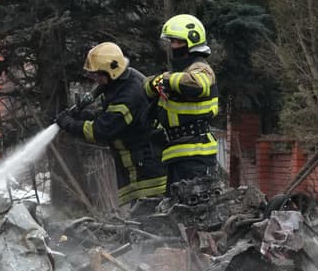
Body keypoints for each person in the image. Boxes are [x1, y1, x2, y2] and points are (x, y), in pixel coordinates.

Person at [55, 41, 167, 206]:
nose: (95, 79)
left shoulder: (129, 95)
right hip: (139, 168)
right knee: (144, 221)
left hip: (146, 173)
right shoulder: (122, 84)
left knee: (152, 222)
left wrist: (69, 124)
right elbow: (109, 117)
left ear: (112, 70)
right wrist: (84, 115)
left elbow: (102, 130)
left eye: (97, 74)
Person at [144, 13, 219, 187]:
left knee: (195, 208)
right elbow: (146, 87)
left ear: (191, 42)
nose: (172, 46)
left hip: (196, 153)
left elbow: (198, 85)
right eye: (171, 42)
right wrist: (155, 82)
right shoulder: (180, 71)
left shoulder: (201, 68)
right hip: (175, 152)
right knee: (176, 209)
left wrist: (166, 79)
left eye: (177, 42)